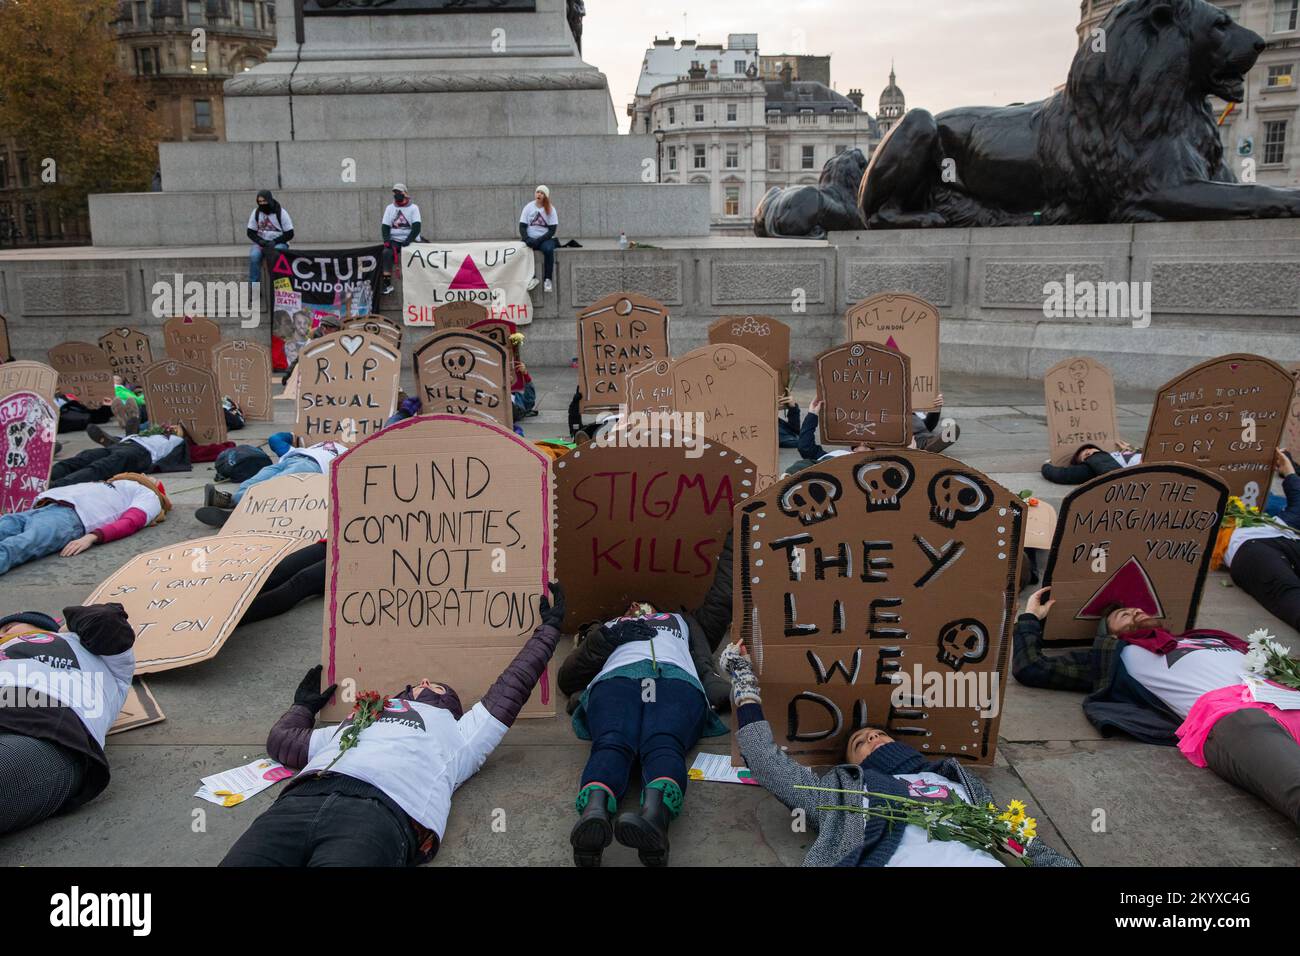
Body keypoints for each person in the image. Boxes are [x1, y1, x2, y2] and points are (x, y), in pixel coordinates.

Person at [219, 584, 565, 866]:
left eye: (438, 686)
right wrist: (303, 708)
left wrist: (548, 631)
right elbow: (283, 742)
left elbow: (512, 686)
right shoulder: (362, 718)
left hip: (379, 815)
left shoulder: (460, 733)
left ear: (451, 705)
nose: (426, 680)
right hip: (296, 805)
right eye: (420, 681)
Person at [722, 642, 1076, 866]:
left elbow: (1021, 842)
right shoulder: (841, 793)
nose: (873, 737)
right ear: (852, 767)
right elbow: (765, 760)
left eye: (878, 733)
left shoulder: (958, 782)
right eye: (860, 742)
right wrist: (744, 684)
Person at [1012, 587, 1300, 828]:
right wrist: (1029, 618)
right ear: (1109, 634)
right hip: (1236, 719)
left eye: (1138, 610)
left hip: (1288, 701)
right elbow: (1031, 667)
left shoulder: (1209, 637)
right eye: (1123, 615)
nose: (1136, 612)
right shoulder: (1119, 655)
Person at [559, 534, 733, 867]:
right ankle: (594, 814)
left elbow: (723, 596)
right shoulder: (608, 628)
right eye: (630, 609)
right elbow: (568, 679)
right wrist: (604, 640)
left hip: (675, 681)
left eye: (648, 606)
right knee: (611, 742)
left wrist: (737, 537)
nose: (639, 607)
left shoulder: (685, 623)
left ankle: (654, 821)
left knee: (664, 743)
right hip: (617, 682)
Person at [0, 604, 135, 835]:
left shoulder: (95, 654)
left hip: (47, 733)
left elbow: (105, 621)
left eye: (9, 626)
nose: (2, 634)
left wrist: (68, 628)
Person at [0, 473, 170, 577]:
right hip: (47, 506)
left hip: (71, 518)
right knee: (7, 527)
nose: (146, 474)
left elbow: (131, 521)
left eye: (152, 478)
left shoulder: (149, 495)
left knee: (16, 546)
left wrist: (92, 537)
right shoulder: (116, 482)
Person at [1223, 449, 1300, 631]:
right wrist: (1289, 472)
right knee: (1287, 591)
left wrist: (1289, 471)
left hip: (1283, 539)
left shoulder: (1285, 519)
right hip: (1249, 546)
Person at [198, 439, 345, 527]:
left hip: (313, 467)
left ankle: (239, 513)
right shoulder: (311, 446)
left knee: (271, 486)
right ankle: (230, 501)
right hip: (290, 459)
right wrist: (292, 436)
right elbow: (275, 438)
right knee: (251, 483)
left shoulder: (349, 451)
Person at [49, 425, 187, 488]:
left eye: (177, 429)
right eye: (172, 426)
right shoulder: (150, 432)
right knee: (82, 458)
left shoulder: (177, 441)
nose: (173, 427)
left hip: (140, 452)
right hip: (122, 444)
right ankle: (44, 479)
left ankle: (55, 486)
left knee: (100, 467)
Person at [380, 184, 422, 296]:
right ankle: (387, 284)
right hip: (395, 239)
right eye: (395, 192)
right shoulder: (390, 208)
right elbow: (385, 226)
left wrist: (409, 240)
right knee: (386, 253)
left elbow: (417, 227)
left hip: (410, 239)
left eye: (399, 192)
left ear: (405, 193)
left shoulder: (414, 208)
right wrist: (386, 240)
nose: (396, 194)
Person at [247, 189, 294, 286]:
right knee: (254, 257)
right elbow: (250, 232)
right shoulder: (256, 212)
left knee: (275, 256)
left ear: (269, 200)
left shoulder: (281, 212)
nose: (263, 204)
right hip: (261, 242)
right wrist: (260, 241)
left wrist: (275, 241)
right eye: (260, 202)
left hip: (279, 243)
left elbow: (290, 233)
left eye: (264, 201)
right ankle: (254, 289)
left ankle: (279, 287)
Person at [1041, 441, 1141, 485]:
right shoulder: (1092, 466)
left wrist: (1133, 448)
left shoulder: (1113, 455)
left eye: (1090, 448)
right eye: (1084, 455)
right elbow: (1062, 475)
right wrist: (1046, 466)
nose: (1088, 451)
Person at [519, 186, 559, 293]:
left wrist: (540, 240)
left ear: (546, 196)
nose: (539, 194)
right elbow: (522, 226)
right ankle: (532, 277)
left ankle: (548, 279)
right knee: (522, 250)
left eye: (542, 193)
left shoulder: (551, 209)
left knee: (548, 250)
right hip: (530, 238)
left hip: (544, 239)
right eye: (537, 192)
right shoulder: (528, 207)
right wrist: (526, 238)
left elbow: (552, 230)